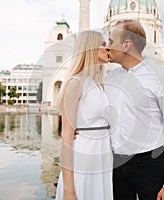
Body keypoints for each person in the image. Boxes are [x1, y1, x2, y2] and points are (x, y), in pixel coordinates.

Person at [105, 20, 164, 200]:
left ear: (127, 44)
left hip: (149, 166)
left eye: (111, 41)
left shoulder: (162, 77)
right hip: (115, 166)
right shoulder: (111, 78)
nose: (107, 47)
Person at [55, 30, 113, 200]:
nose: (107, 47)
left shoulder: (99, 83)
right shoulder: (75, 83)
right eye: (103, 44)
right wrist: (69, 190)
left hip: (102, 159)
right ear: (90, 48)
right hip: (84, 159)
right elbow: (66, 136)